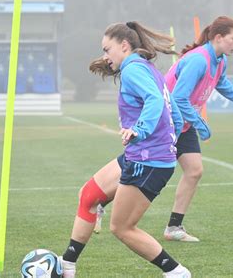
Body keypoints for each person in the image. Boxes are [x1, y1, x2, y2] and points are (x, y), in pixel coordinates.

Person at [60, 21, 191, 278]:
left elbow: (155, 100)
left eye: (107, 50)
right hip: (140, 155)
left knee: (122, 228)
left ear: (124, 45)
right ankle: (67, 266)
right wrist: (175, 134)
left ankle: (176, 272)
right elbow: (171, 106)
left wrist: (140, 130)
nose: (105, 56)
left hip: (148, 160)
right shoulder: (144, 68)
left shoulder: (133, 70)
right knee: (88, 195)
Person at [163, 16, 233, 242]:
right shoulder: (198, 60)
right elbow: (178, 97)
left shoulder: (220, 60)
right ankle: (99, 199)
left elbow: (225, 88)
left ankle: (174, 228)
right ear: (219, 38)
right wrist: (200, 122)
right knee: (142, 171)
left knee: (194, 171)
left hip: (184, 123)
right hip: (164, 122)